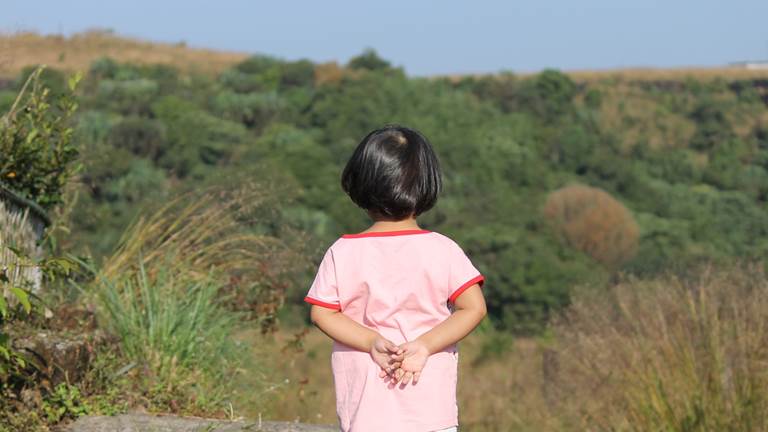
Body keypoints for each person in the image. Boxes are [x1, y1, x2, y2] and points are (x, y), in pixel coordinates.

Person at [304, 125, 487, 432]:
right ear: (427, 183)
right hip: (431, 414)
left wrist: (370, 341)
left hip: (364, 414)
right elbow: (474, 308)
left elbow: (322, 313)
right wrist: (425, 346)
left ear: (360, 182)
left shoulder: (343, 251)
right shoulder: (443, 248)